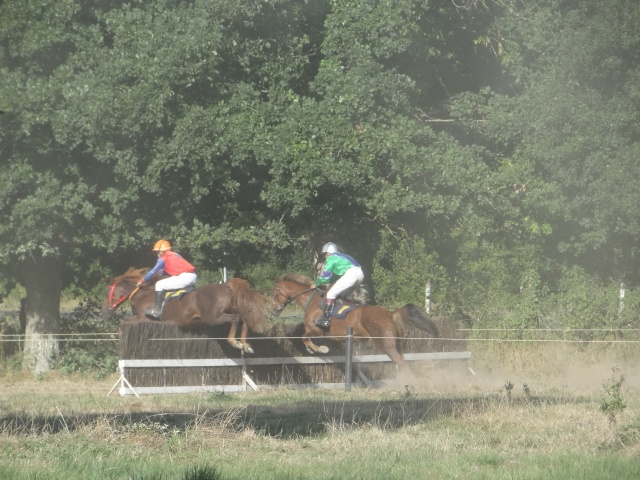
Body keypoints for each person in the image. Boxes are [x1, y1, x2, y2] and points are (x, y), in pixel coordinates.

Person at [137, 239, 197, 319]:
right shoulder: (174, 255)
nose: (157, 254)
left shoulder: (163, 258)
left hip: (185, 277)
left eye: (157, 252)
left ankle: (157, 311)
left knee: (159, 285)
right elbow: (162, 272)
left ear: (161, 251)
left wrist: (142, 280)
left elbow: (153, 271)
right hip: (193, 276)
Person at [311, 242, 364, 330]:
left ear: (327, 253)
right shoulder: (343, 256)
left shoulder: (331, 258)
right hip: (360, 274)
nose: (325, 257)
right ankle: (349, 316)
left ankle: (326, 320)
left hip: (351, 274)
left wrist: (316, 284)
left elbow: (326, 275)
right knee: (346, 296)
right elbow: (334, 276)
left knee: (331, 294)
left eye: (324, 255)